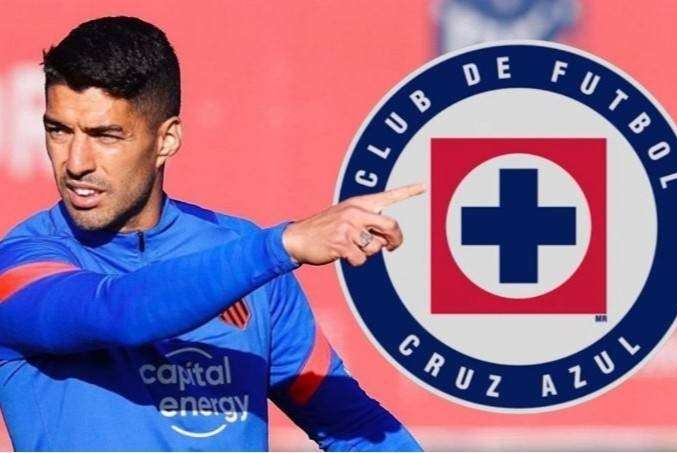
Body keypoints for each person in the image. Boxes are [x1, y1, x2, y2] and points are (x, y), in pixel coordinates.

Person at [0, 16, 424, 451]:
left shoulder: (243, 258)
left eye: (105, 136)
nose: (75, 162)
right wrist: (282, 246)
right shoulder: (18, 267)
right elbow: (120, 311)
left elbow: (354, 425)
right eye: (58, 131)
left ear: (167, 139)